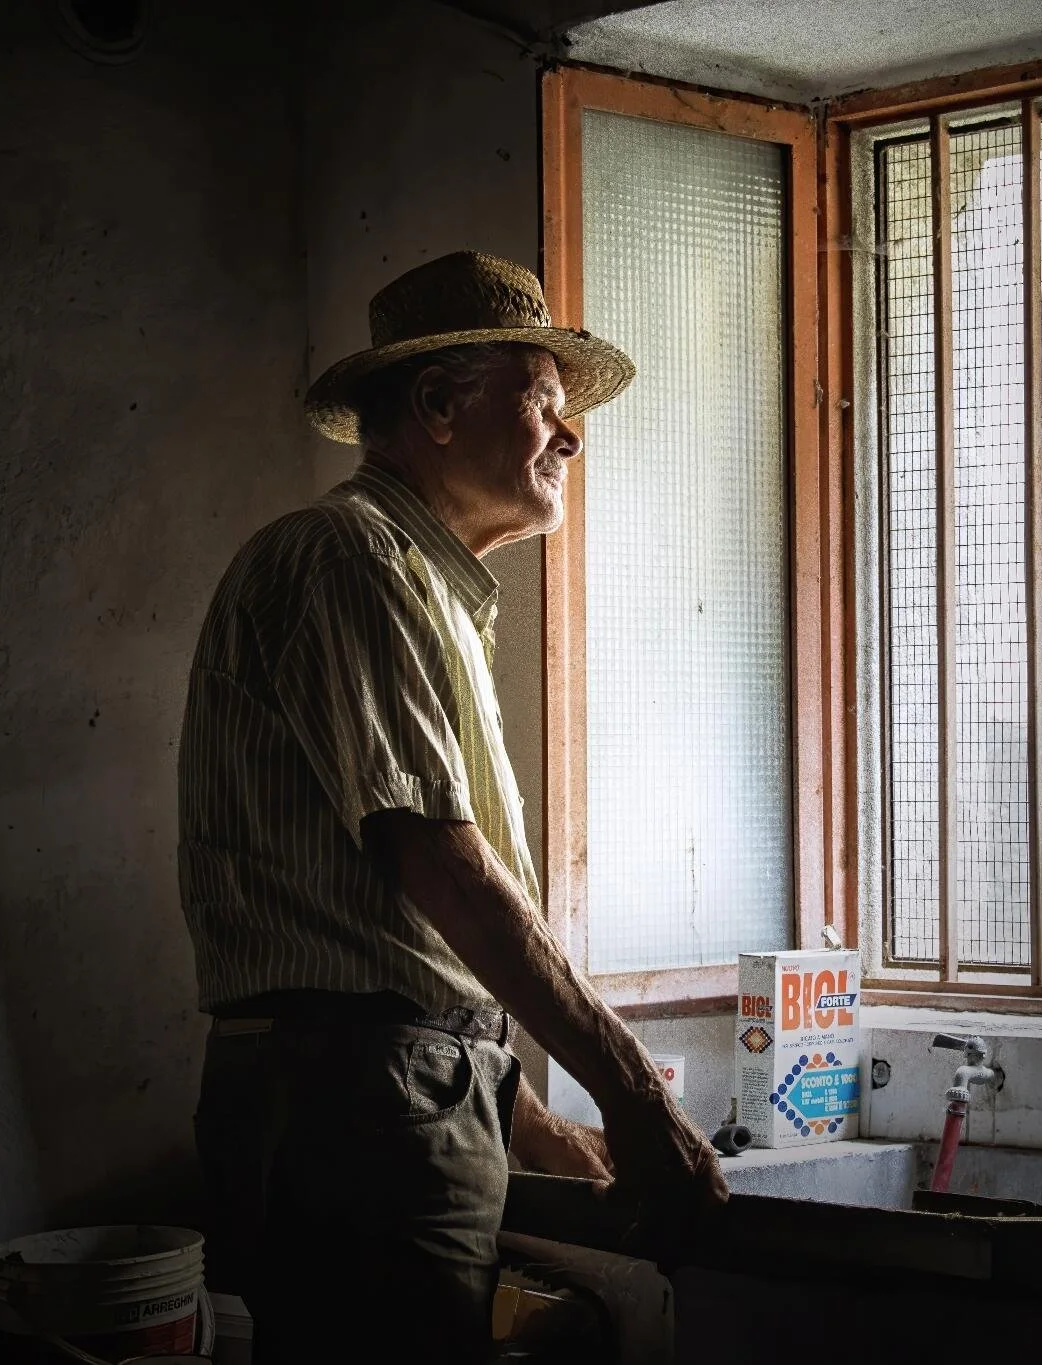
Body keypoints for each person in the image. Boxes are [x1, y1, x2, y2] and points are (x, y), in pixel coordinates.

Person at [178, 251, 726, 1363]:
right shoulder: (352, 560)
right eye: (542, 405)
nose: (569, 439)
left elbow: (399, 964)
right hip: (360, 1108)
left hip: (379, 1092)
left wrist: (533, 1125)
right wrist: (633, 1097)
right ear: (435, 405)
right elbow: (437, 874)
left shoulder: (426, 591)